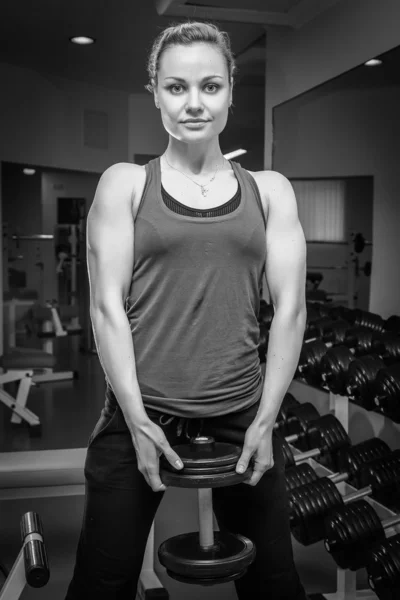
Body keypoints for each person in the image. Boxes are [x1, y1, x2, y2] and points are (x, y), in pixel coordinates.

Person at [65, 20, 308, 600]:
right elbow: (106, 308)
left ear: (230, 91)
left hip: (244, 411)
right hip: (140, 410)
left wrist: (267, 418)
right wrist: (137, 421)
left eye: (210, 86)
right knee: (101, 583)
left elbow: (292, 311)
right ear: (154, 91)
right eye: (176, 87)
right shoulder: (125, 184)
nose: (194, 103)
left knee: (275, 583)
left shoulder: (270, 190)